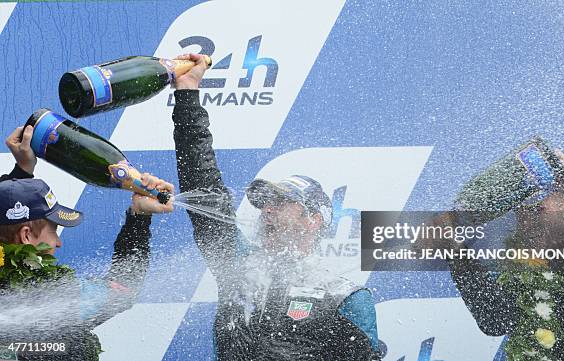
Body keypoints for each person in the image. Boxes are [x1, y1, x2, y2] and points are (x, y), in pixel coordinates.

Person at [171, 53, 381, 360]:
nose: (267, 211)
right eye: (264, 204)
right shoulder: (237, 263)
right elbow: (205, 192)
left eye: (281, 203)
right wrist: (188, 94)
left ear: (314, 220)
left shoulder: (345, 297)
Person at [0, 126, 174, 360]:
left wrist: (21, 174)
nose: (58, 242)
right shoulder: (59, 297)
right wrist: (139, 217)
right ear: (27, 236)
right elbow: (124, 288)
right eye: (53, 230)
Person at [444, 148, 564, 360]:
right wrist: (454, 250)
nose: (526, 223)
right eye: (521, 213)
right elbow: (496, 321)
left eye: (537, 210)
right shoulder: (521, 262)